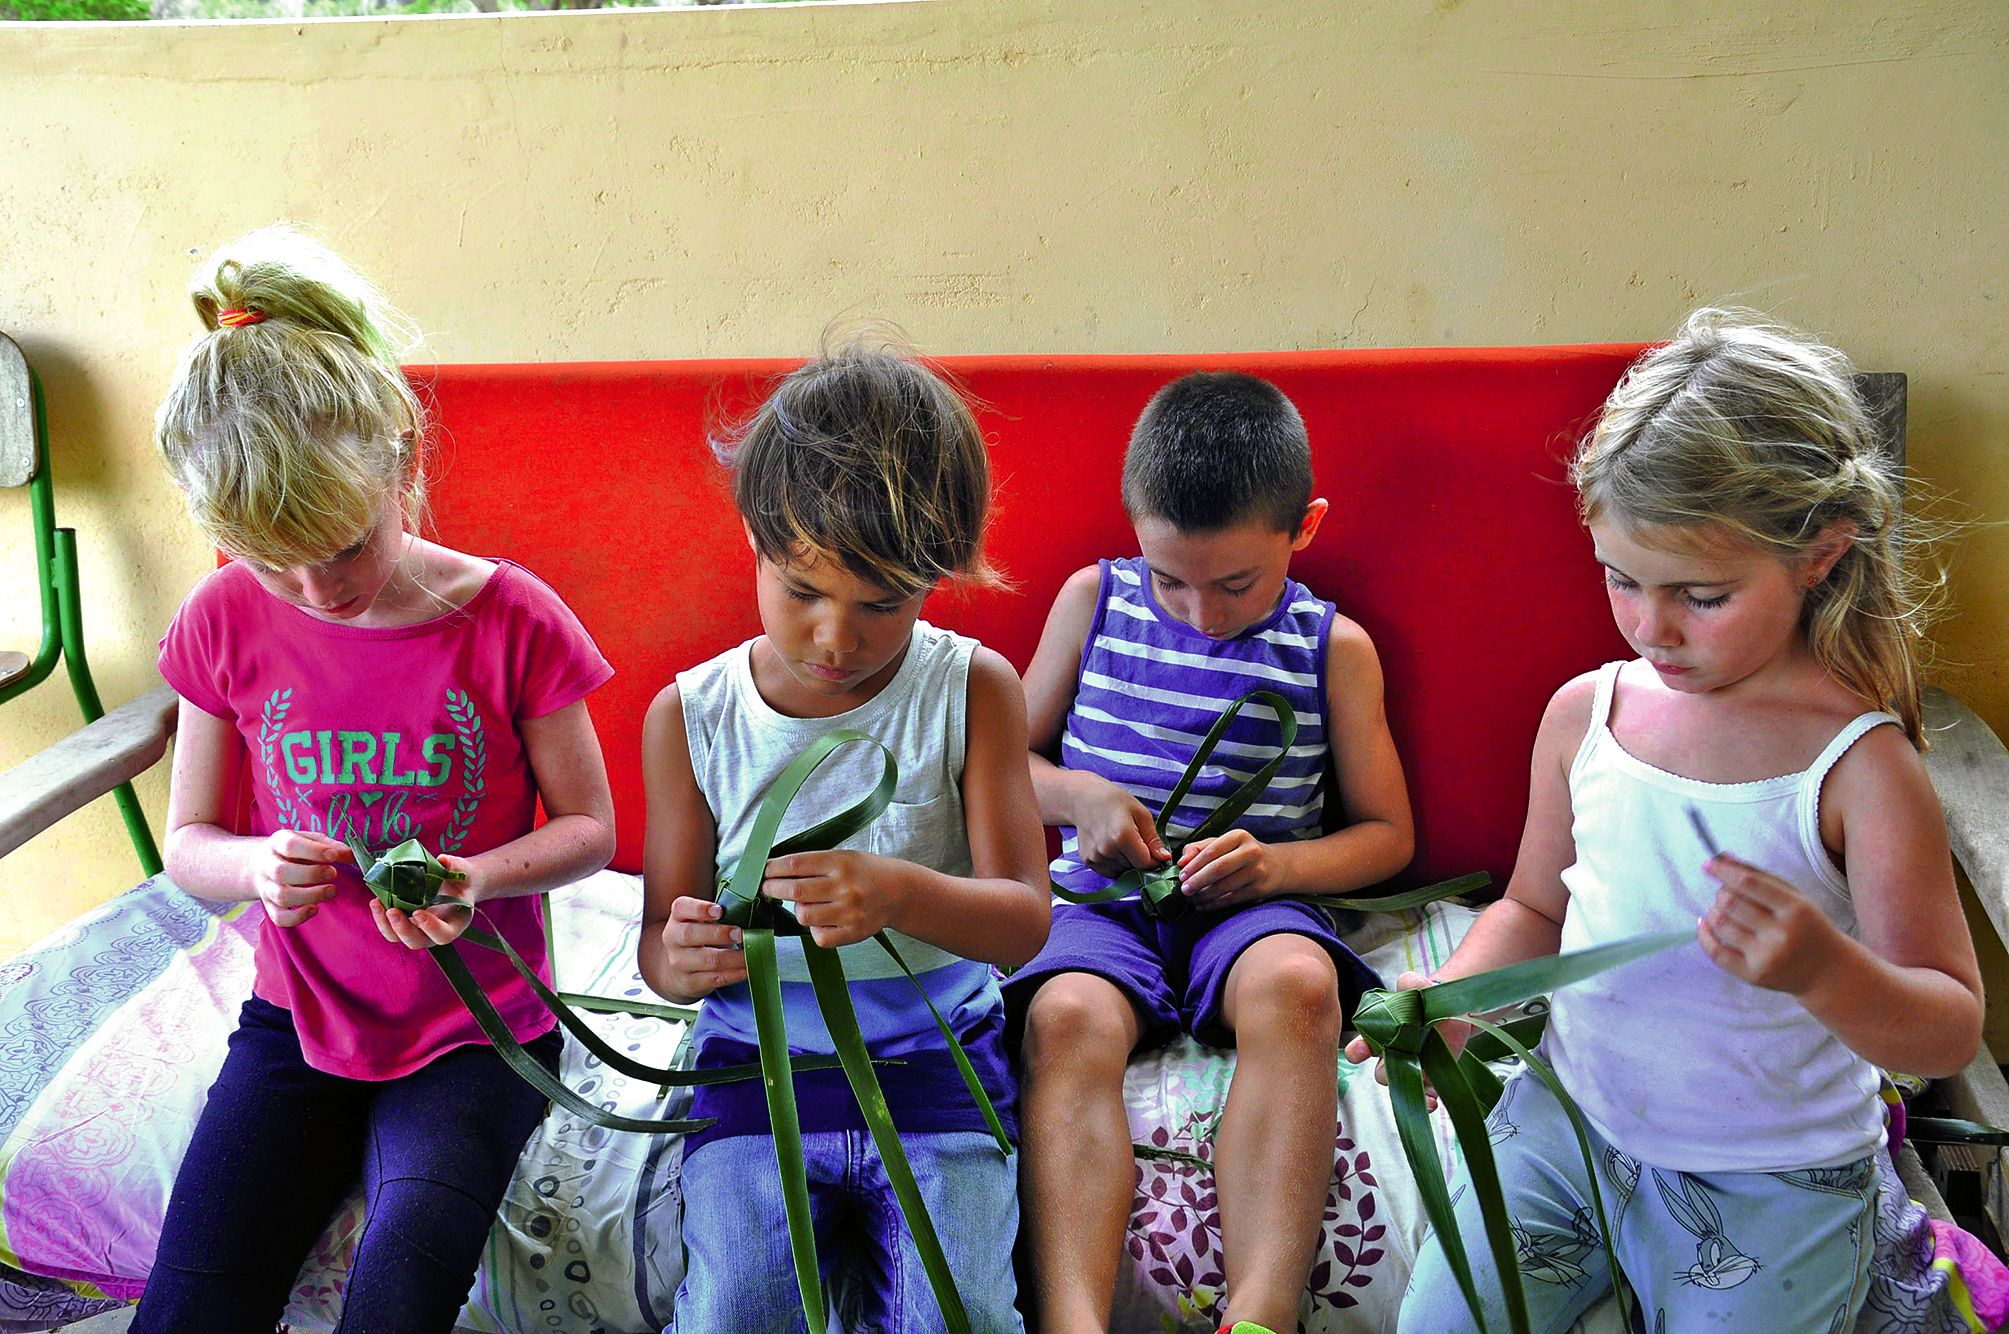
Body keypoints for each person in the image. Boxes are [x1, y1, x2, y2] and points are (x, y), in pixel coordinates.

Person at [1368, 309, 1984, 1333]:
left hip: (1772, 1180)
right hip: (1565, 1132)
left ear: (1819, 554)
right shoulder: (1587, 715)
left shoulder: (1856, 769)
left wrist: (1822, 970)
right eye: (1619, 579)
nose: (1649, 626)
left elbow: (1947, 1023)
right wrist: (1453, 999)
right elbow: (1532, 907)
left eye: (1700, 594)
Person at [135, 226, 617, 1334]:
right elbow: (189, 842)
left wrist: (478, 876)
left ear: (403, 459)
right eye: (272, 563)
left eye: (347, 546)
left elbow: (590, 826)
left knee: (399, 1290)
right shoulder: (221, 618)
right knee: (189, 1307)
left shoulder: (512, 616)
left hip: (478, 1031)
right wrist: (258, 866)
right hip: (294, 1021)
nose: (318, 589)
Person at [638, 336, 1049, 1333]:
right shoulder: (691, 716)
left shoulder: (971, 689)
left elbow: (1024, 921)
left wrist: (903, 893)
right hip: (753, 1070)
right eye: (802, 591)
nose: (836, 637)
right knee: (734, 1309)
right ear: (754, 538)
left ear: (935, 577)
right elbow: (658, 942)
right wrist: (680, 957)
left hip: (936, 1065)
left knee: (961, 1313)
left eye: (882, 603)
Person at [1008, 371, 1415, 1334]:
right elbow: (1001, 763)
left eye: (1235, 583)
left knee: (1299, 990)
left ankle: (1261, 1316)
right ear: (1135, 533)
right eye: (1169, 580)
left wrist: (1277, 868)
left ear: (1303, 528)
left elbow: (1388, 837)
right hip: (1101, 904)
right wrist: (1080, 796)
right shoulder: (1091, 600)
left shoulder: (1332, 648)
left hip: (1253, 904)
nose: (1201, 612)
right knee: (1063, 1019)